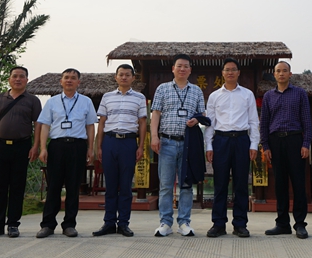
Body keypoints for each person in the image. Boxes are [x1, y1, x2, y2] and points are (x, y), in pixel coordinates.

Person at [0, 66, 42, 238]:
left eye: (22, 76)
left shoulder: (33, 100)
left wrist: (35, 146)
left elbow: (38, 124)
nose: (18, 79)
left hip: (22, 146)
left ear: (27, 80)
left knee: (17, 186)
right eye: (15, 76)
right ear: (9, 79)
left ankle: (13, 224)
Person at [36, 69, 97, 238]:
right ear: (61, 81)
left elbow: (90, 126)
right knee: (53, 187)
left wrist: (90, 148)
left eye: (73, 78)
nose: (69, 80)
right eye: (66, 78)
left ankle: (69, 224)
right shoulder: (52, 102)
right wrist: (43, 148)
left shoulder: (86, 101)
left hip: (78, 146)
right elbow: (45, 126)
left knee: (73, 187)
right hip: (57, 146)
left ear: (79, 82)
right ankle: (47, 225)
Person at [150, 54, 206, 237]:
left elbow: (202, 114)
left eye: (186, 66)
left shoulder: (196, 90)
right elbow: (156, 114)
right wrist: (154, 137)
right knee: (166, 185)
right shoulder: (162, 88)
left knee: (186, 185)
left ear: (190, 70)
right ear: (173, 68)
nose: (182, 69)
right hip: (166, 142)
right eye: (179, 66)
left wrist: (196, 120)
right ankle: (165, 222)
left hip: (188, 144)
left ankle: (184, 222)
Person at [204, 58, 260, 238]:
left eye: (233, 69)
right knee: (220, 184)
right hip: (221, 140)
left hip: (242, 140)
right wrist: (209, 146)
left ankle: (240, 224)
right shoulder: (214, 96)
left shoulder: (247, 94)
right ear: (222, 73)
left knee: (241, 184)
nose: (230, 72)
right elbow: (210, 123)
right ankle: (218, 224)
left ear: (238, 73)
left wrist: (253, 144)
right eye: (227, 69)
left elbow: (254, 121)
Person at [92, 64, 147, 238]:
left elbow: (143, 123)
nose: (124, 77)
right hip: (109, 141)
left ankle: (123, 223)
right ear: (116, 77)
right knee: (110, 186)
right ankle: (109, 223)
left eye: (127, 75)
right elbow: (102, 122)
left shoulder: (139, 97)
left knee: (125, 186)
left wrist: (140, 146)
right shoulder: (107, 97)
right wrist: (99, 146)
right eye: (121, 74)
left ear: (133, 78)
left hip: (128, 142)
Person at [259, 61, 311, 239]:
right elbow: (264, 123)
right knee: (280, 184)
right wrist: (266, 145)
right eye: (278, 71)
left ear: (290, 74)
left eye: (284, 71)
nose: (281, 74)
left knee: (298, 183)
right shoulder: (268, 96)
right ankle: (282, 223)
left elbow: (306, 120)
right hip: (275, 141)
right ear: (274, 74)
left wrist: (306, 143)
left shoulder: (300, 93)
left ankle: (300, 224)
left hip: (295, 140)